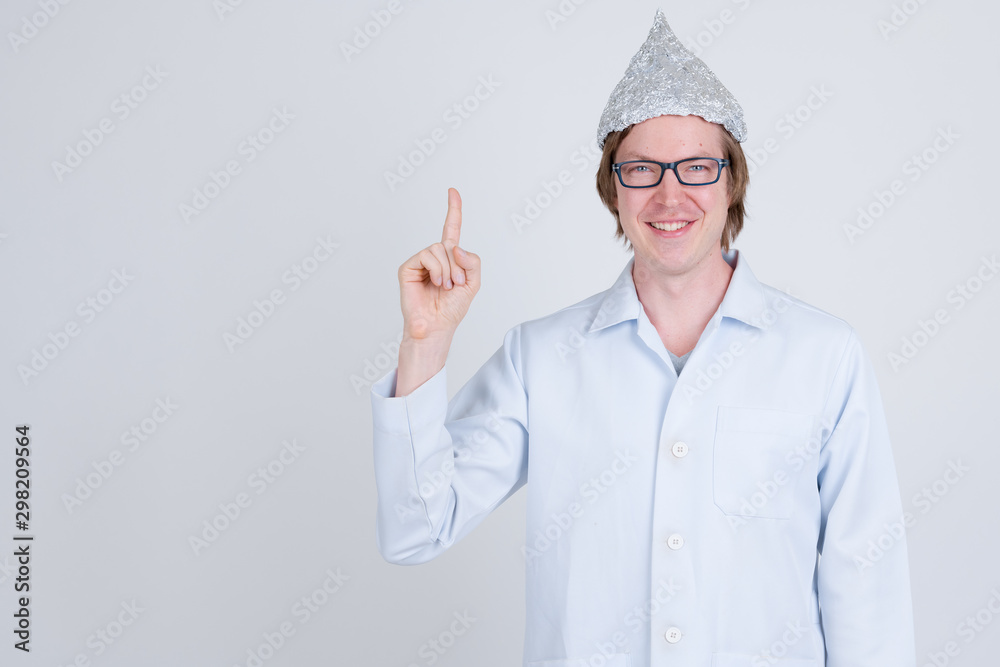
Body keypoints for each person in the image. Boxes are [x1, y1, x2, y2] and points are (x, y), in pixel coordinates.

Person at [370, 9, 915, 667]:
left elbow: (867, 587)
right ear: (613, 188)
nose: (669, 193)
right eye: (642, 169)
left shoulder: (824, 356)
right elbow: (415, 528)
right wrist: (425, 341)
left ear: (731, 178)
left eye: (696, 168)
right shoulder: (540, 358)